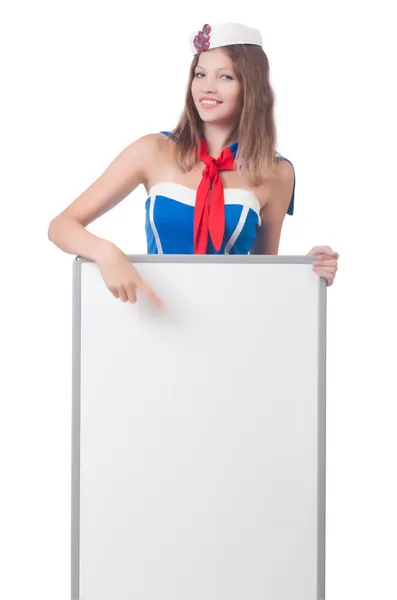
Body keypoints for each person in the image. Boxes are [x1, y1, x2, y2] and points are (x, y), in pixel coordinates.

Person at [48, 22, 339, 309]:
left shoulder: (277, 172)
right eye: (200, 74)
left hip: (230, 324)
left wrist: (304, 271)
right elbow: (61, 226)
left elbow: (262, 273)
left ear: (252, 88)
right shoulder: (153, 150)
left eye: (225, 77)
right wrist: (106, 252)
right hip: (153, 322)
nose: (207, 88)